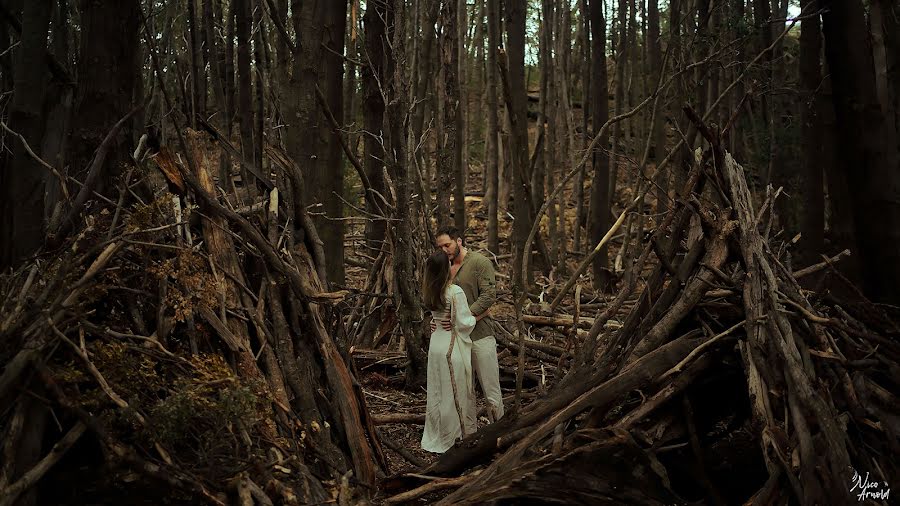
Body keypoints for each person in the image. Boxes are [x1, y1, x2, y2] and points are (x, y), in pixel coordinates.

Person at [433, 226, 505, 422]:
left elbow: (489, 296)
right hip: (455, 341)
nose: (444, 250)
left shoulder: (479, 262)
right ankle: (470, 438)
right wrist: (436, 321)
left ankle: (499, 434)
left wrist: (461, 318)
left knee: (491, 390)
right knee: (465, 393)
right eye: (440, 247)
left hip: (480, 335)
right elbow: (438, 298)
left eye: (447, 245)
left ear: (459, 241)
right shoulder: (442, 267)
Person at [420, 250, 479, 453]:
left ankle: (436, 435)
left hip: (436, 344)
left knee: (437, 392)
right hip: (450, 347)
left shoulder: (430, 291)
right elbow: (463, 322)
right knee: (454, 393)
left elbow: (437, 317)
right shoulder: (454, 292)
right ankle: (452, 439)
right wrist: (477, 317)